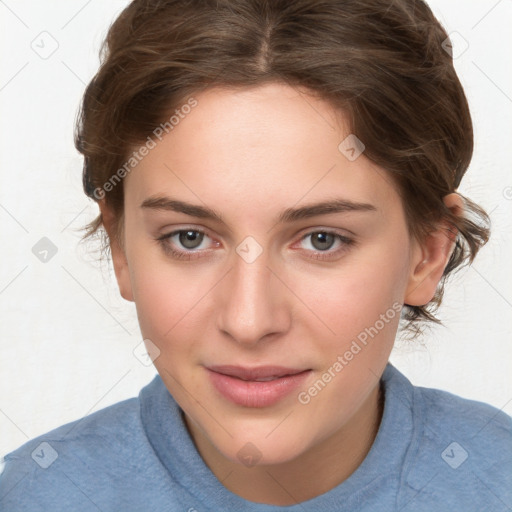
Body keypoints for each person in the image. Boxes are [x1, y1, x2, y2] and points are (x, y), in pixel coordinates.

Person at [1, 0, 511, 510]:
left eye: (322, 240)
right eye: (189, 238)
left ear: (427, 255)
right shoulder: (37, 495)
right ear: (121, 248)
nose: (249, 322)